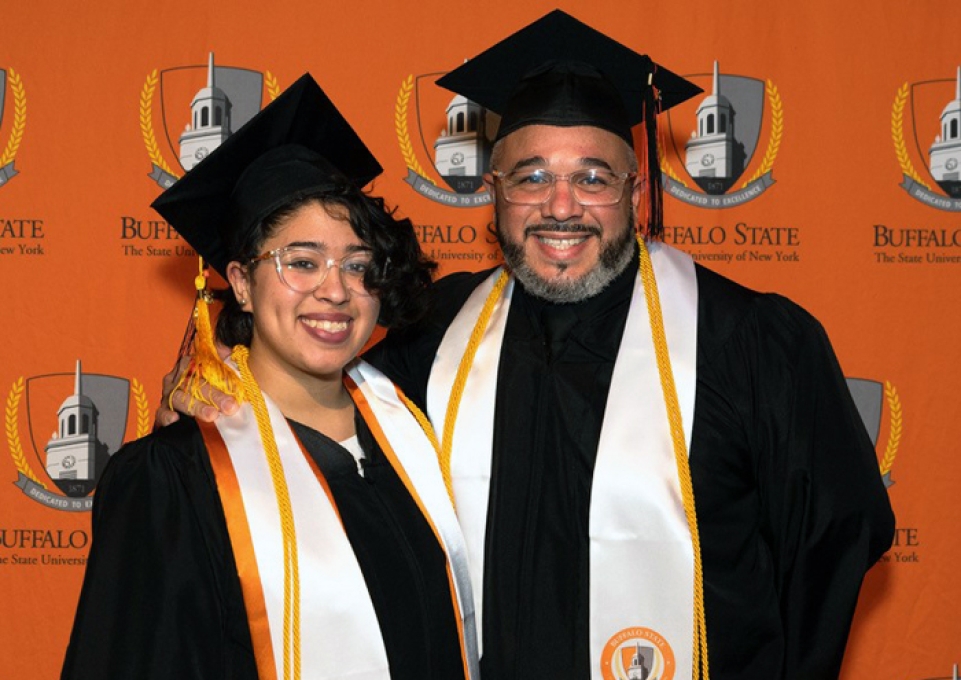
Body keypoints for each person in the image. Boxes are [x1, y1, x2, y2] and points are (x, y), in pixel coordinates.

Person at [159, 11, 895, 680]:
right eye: (532, 176)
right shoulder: (431, 332)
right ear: (494, 192)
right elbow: (311, 412)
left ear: (637, 195)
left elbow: (831, 546)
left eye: (592, 178)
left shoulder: (753, 342)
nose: (561, 206)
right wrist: (214, 392)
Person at [62, 74, 478, 680]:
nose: (335, 290)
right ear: (240, 283)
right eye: (302, 262)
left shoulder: (414, 430)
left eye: (357, 265)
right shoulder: (175, 476)